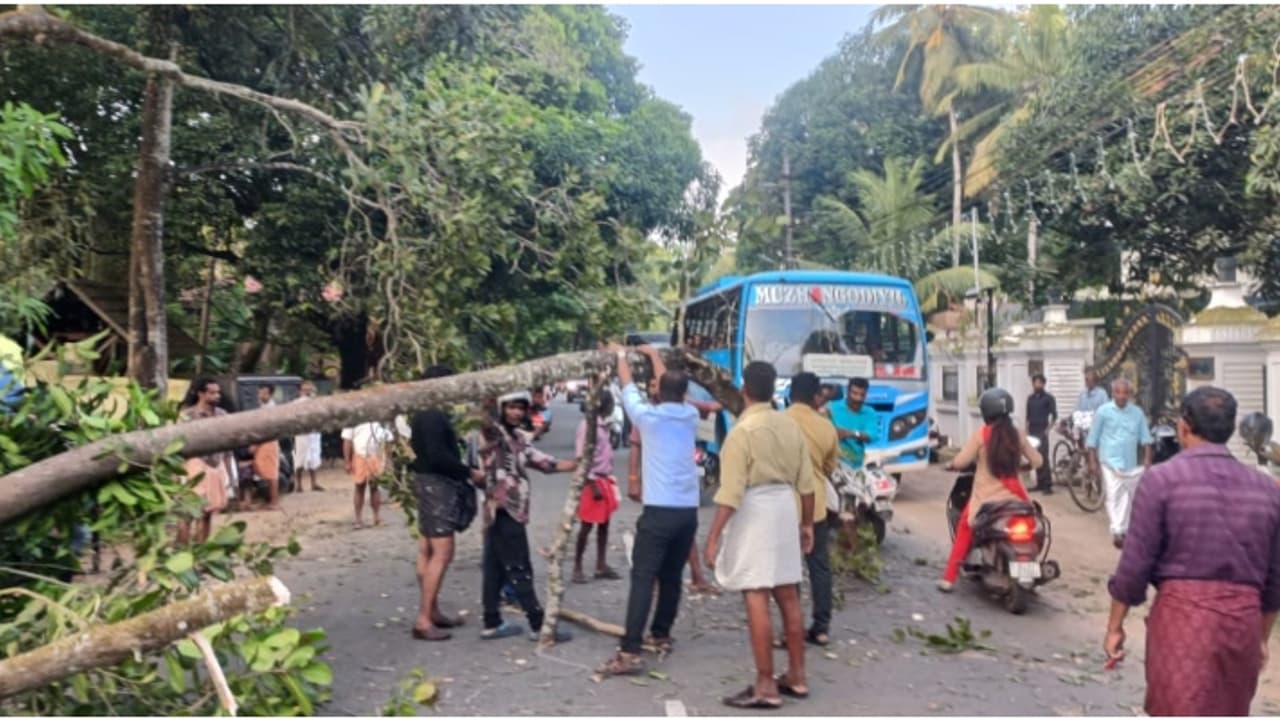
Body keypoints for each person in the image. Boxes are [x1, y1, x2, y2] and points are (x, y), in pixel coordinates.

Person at [1104, 387, 1280, 716]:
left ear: (1183, 427)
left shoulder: (1162, 480)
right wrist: (1260, 639)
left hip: (1182, 623)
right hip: (1241, 627)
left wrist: (1115, 626)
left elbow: (1134, 565)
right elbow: (1274, 583)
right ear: (1230, 430)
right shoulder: (1267, 491)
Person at [705, 361, 815, 709]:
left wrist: (712, 538)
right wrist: (807, 524)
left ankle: (766, 684)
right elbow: (807, 484)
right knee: (788, 594)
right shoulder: (789, 426)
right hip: (785, 506)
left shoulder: (742, 432)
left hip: (756, 509)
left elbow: (730, 493)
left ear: (744, 390)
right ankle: (797, 676)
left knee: (756, 591)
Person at [599, 343, 701, 677]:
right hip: (687, 512)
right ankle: (661, 634)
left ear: (659, 392)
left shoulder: (647, 417)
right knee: (671, 576)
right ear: (684, 393)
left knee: (643, 578)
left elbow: (627, 385)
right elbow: (669, 386)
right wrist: (655, 356)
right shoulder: (690, 415)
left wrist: (620, 356)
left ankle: (629, 651)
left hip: (659, 512)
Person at [475, 391, 577, 642]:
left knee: (495, 569)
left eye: (521, 408)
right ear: (501, 408)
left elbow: (544, 462)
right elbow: (484, 416)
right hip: (501, 509)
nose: (517, 412)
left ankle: (491, 622)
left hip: (514, 509)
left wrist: (577, 463)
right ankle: (538, 624)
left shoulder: (519, 438)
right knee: (519, 566)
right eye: (511, 407)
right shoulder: (493, 433)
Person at [407, 365, 485, 642]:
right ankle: (424, 619)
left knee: (427, 549)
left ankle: (433, 610)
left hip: (426, 482)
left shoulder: (422, 414)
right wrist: (468, 473)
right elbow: (439, 457)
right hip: (437, 485)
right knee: (442, 552)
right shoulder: (432, 416)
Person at [939, 388, 1043, 592]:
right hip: (1017, 499)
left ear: (986, 412)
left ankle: (948, 579)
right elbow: (1038, 461)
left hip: (985, 499)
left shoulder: (980, 436)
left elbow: (961, 462)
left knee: (964, 528)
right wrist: (1023, 467)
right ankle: (1029, 573)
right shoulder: (1018, 435)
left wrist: (950, 465)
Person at [626, 374, 720, 594]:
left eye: (656, 384)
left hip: (680, 487)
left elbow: (713, 406)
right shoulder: (647, 414)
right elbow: (635, 447)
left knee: (681, 535)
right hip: (659, 490)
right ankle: (662, 577)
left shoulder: (684, 409)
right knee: (661, 536)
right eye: (651, 385)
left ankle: (695, 575)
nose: (654, 389)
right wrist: (633, 479)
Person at [785, 372, 840, 647]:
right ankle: (821, 628)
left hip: (782, 508)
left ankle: (789, 629)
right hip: (815, 507)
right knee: (819, 567)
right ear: (815, 396)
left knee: (787, 571)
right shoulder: (826, 427)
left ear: (791, 394)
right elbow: (831, 467)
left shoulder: (778, 422)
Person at [1087, 378, 1153, 549]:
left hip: (1130, 462)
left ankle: (1124, 529)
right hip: (1108, 461)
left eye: (1125, 393)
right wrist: (1092, 462)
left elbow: (1146, 439)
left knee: (1128, 497)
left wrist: (1147, 460)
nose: (1122, 396)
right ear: (1113, 393)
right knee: (1113, 494)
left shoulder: (1137, 413)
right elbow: (1092, 439)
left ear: (1130, 394)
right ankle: (1117, 530)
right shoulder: (1103, 412)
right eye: (1118, 392)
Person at [573, 390, 622, 584]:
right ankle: (577, 566)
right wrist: (592, 485)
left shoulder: (603, 426)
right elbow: (581, 457)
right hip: (592, 481)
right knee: (586, 525)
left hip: (604, 479)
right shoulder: (588, 427)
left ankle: (601, 565)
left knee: (604, 524)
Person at [177, 378, 234, 543]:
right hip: (194, 466)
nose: (217, 396)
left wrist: (230, 476)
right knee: (187, 512)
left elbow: (228, 446)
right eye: (212, 392)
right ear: (201, 394)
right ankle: (182, 552)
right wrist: (177, 475)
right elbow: (178, 446)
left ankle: (201, 553)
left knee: (207, 512)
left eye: (218, 392)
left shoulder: (222, 415)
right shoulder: (188, 416)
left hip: (215, 466)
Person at [342, 413, 394, 528]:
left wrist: (389, 460)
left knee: (375, 487)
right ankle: (358, 519)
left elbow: (388, 440)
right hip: (360, 456)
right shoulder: (353, 419)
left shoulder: (380, 419)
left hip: (377, 456)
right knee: (359, 487)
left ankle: (377, 517)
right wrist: (347, 461)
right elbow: (347, 441)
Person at [828, 377, 877, 467]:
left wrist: (851, 433)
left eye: (862, 395)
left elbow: (872, 436)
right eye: (855, 393)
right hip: (831, 463)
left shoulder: (870, 413)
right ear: (847, 392)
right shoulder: (831, 408)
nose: (858, 398)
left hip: (855, 465)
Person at [249, 384, 281, 510]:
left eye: (264, 393)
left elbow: (266, 430)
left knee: (271, 474)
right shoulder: (263, 406)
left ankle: (274, 502)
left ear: (270, 394)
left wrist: (256, 445)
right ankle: (268, 500)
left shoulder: (271, 408)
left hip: (268, 443)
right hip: (262, 443)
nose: (261, 395)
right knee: (263, 472)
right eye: (260, 392)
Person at [1025, 374, 1058, 494]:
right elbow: (1027, 416)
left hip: (1042, 429)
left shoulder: (1048, 398)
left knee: (1044, 457)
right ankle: (1039, 483)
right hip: (1032, 430)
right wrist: (1027, 430)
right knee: (1035, 457)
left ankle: (1047, 485)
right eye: (1035, 382)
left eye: (1040, 382)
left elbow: (1054, 416)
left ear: (1044, 384)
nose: (1037, 385)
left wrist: (1048, 429)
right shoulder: (1030, 398)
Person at [292, 381, 325, 491]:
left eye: (309, 390)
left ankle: (314, 483)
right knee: (300, 459)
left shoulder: (316, 401)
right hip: (302, 435)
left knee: (314, 458)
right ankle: (298, 484)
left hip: (314, 434)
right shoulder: (296, 403)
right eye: (305, 390)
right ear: (300, 391)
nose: (307, 392)